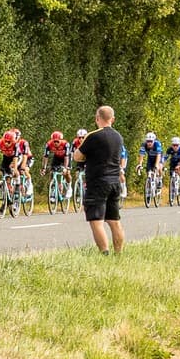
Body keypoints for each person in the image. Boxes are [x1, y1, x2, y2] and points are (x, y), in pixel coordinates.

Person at [81, 106, 127, 252]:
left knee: (96, 221)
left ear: (97, 118)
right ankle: (118, 253)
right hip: (115, 182)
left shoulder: (93, 136)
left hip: (98, 182)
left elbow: (78, 155)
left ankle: (105, 253)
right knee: (114, 221)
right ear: (112, 119)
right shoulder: (118, 137)